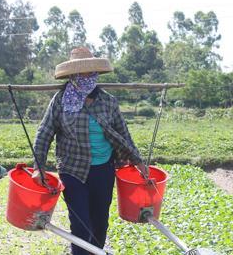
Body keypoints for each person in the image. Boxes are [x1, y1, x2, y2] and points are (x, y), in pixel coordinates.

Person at [32, 47, 149, 255]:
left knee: (100, 222)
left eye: (90, 72)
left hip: (103, 169)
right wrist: (38, 167)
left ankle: (97, 252)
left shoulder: (108, 101)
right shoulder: (60, 100)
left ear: (95, 73)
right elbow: (44, 134)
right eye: (81, 72)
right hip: (73, 170)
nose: (86, 76)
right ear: (73, 74)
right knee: (80, 224)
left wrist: (138, 161)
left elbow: (123, 133)